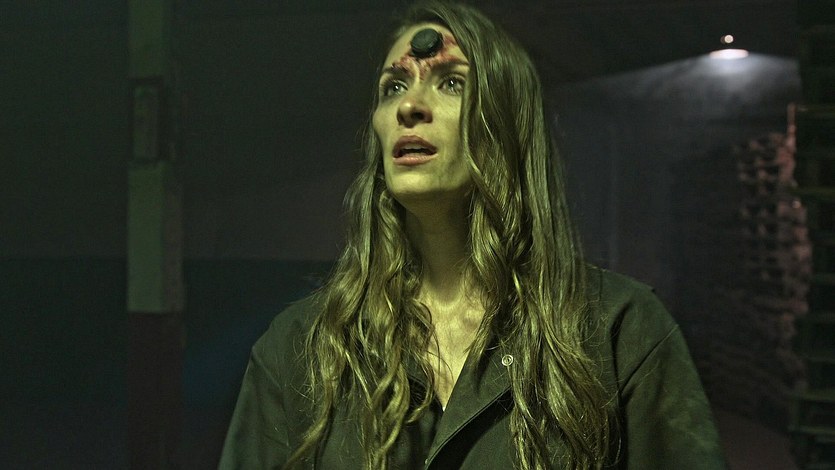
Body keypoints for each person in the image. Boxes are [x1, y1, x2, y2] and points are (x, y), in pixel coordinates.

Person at [219, 2, 727, 469]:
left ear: (506, 122)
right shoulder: (301, 348)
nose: (409, 106)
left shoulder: (619, 331)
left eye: (451, 83)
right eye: (393, 87)